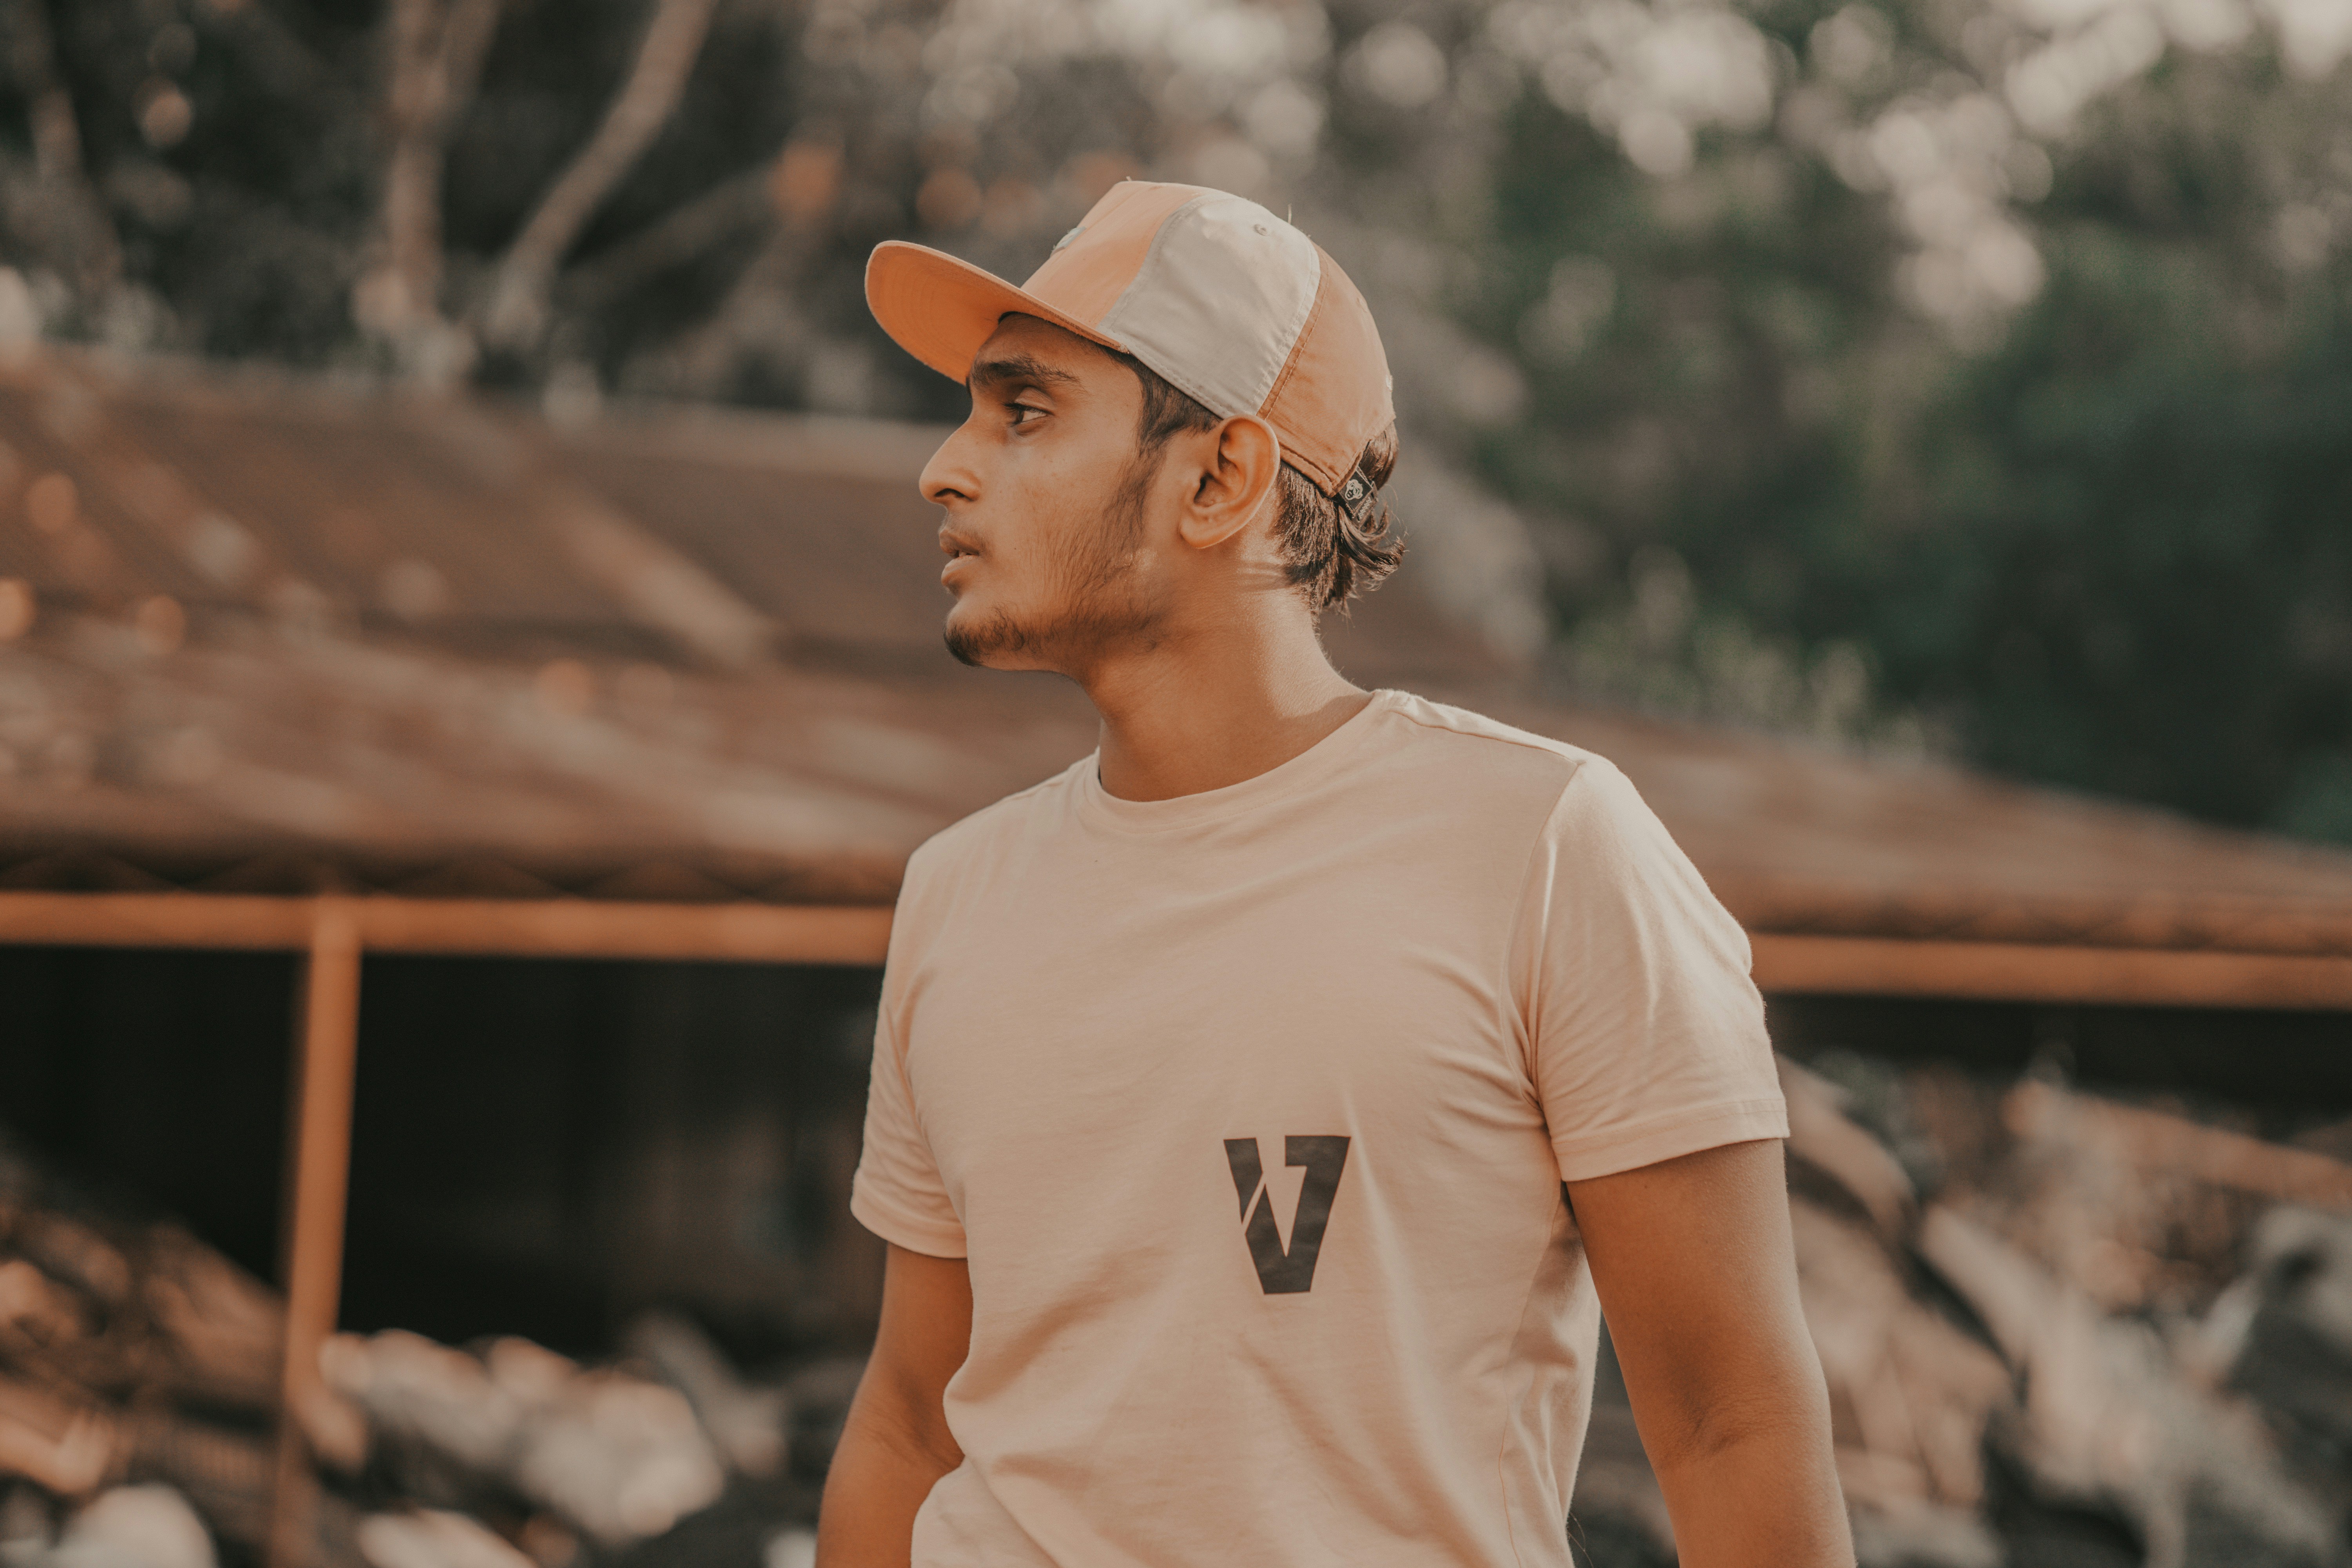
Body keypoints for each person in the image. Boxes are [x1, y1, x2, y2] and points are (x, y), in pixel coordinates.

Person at [816, 180, 1852, 1567]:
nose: (944, 467)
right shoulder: (955, 891)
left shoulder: (1545, 849)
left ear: (1222, 479)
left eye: (1024, 411)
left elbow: (1733, 1426)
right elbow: (908, 1424)